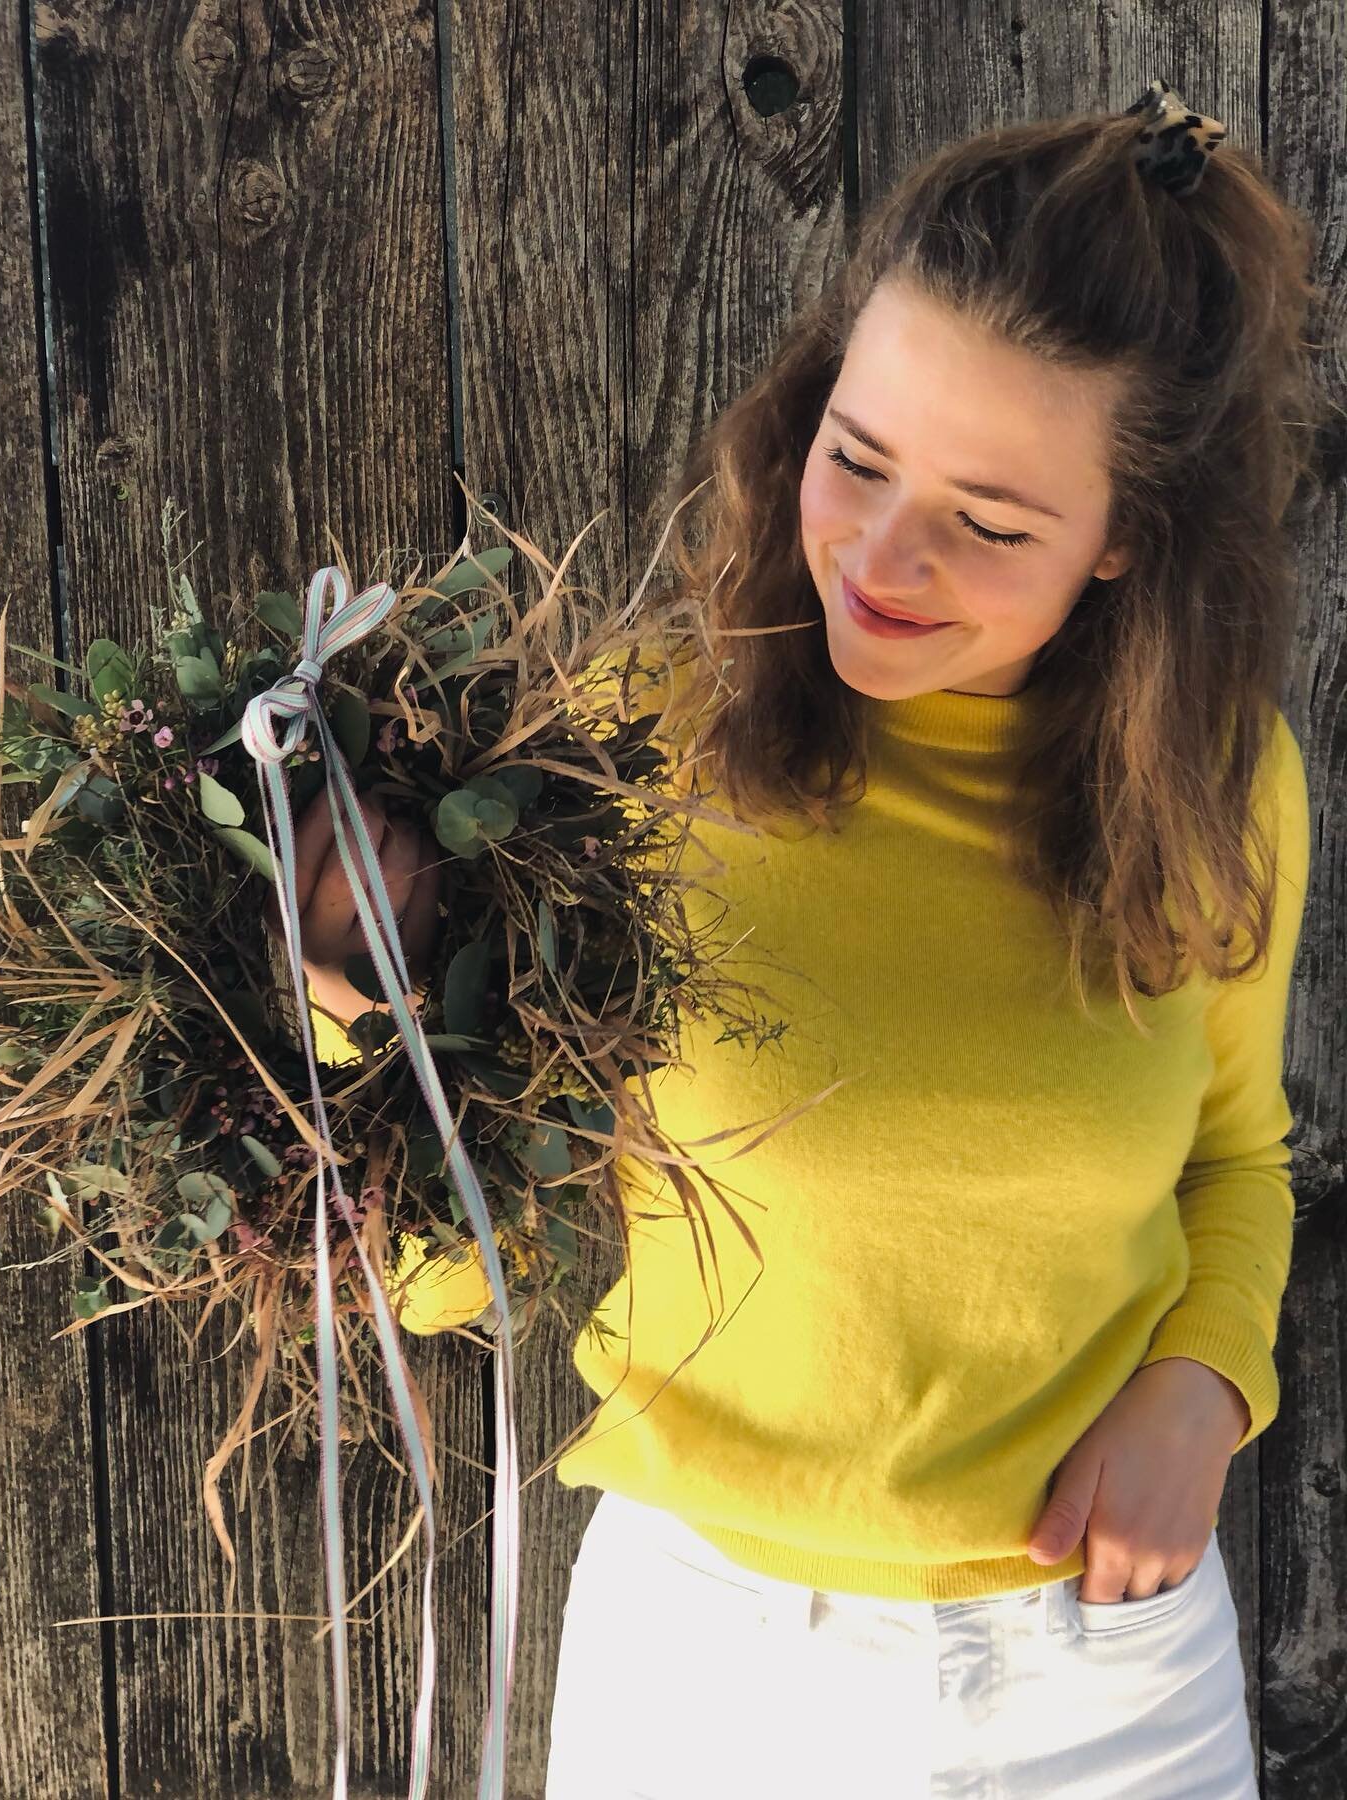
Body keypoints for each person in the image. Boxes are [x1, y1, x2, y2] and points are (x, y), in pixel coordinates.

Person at [295, 81, 1327, 1798]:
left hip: (1111, 1674)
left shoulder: (1220, 787)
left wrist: (1205, 1393)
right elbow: (444, 1270)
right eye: (857, 456)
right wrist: (362, 999)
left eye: (994, 524)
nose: (882, 555)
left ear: (1126, 542)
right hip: (707, 1668)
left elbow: (1236, 1155)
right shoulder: (624, 754)